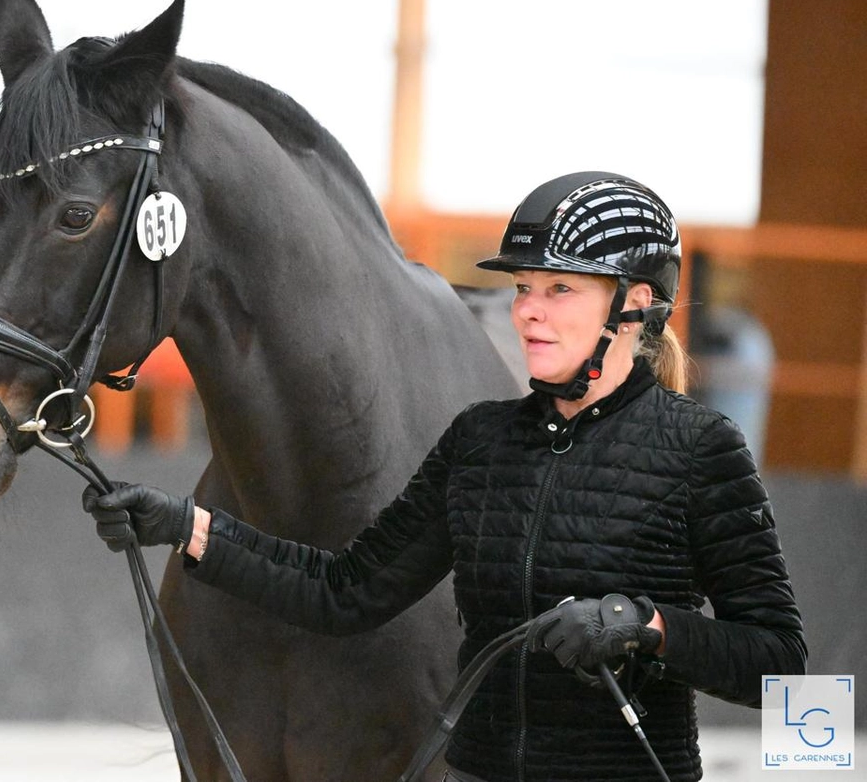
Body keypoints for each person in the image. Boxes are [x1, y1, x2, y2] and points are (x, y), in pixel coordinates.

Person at [84, 171, 806, 782]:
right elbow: (345, 590)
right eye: (524, 287)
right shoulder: (480, 440)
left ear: (636, 303)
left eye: (560, 289)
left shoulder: (701, 450)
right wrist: (187, 527)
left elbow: (780, 661)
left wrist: (643, 624)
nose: (528, 310)